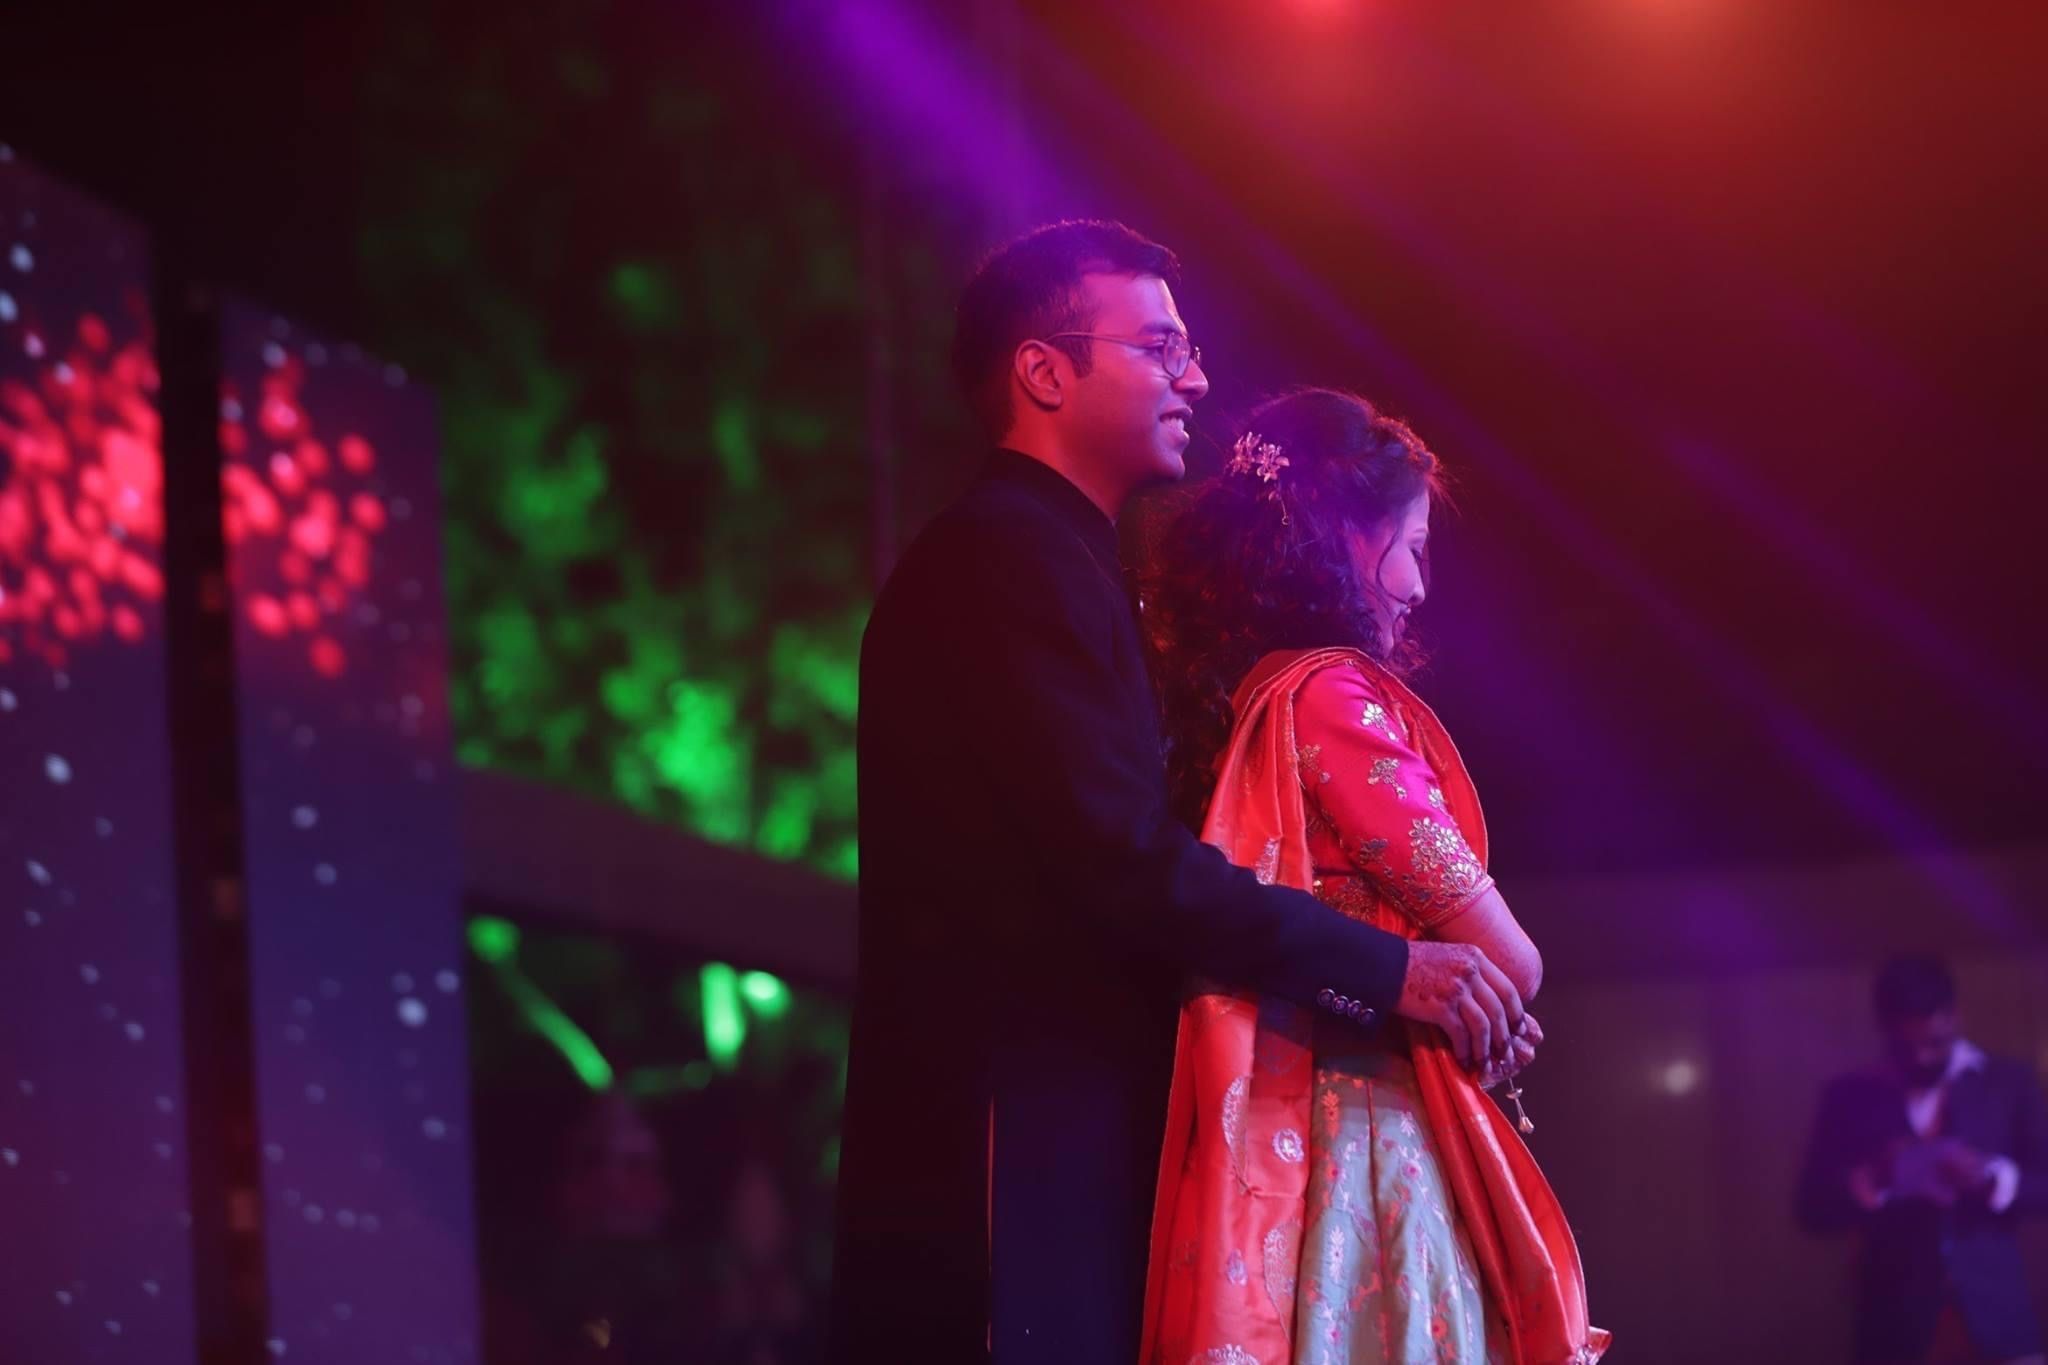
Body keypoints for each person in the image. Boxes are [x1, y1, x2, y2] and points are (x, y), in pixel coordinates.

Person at [829, 222, 1529, 1363]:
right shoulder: (1007, 558)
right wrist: (1392, 970)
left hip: (1049, 1126)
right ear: (1043, 370)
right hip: (1016, 1143)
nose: (1194, 378)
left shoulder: (1052, 559)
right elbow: (1120, 860)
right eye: (1159, 348)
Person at [1137, 387, 1606, 1364]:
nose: (1419, 586)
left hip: (1290, 1129)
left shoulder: (1230, 702)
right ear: (1351, 536)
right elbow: (1509, 958)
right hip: (1367, 1146)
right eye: (1413, 546)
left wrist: (1456, 1002)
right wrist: (1474, 993)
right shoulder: (1331, 697)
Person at [1796, 954, 2048, 1365]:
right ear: (1883, 1028)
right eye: (1905, 1047)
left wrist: (1990, 1178)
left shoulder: (2009, 1083)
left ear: (1954, 1016)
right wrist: (1874, 1178)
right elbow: (1811, 1209)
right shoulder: (1847, 1097)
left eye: (1934, 1043)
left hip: (2003, 1321)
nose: (1921, 1059)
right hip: (1893, 1329)